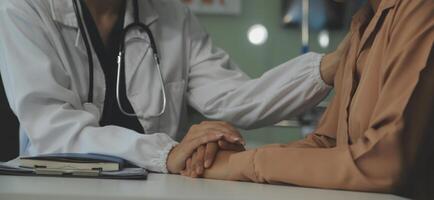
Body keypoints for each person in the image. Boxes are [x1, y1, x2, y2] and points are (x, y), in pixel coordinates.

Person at [0, 0, 344, 175]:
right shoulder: (21, 9)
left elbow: (237, 98)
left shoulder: (170, 14)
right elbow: (53, 129)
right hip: (55, 187)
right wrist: (166, 153)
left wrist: (331, 66)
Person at [194, 0, 434, 193]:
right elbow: (326, 143)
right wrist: (234, 162)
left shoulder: (421, 9)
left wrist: (242, 165)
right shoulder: (363, 22)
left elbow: (383, 163)